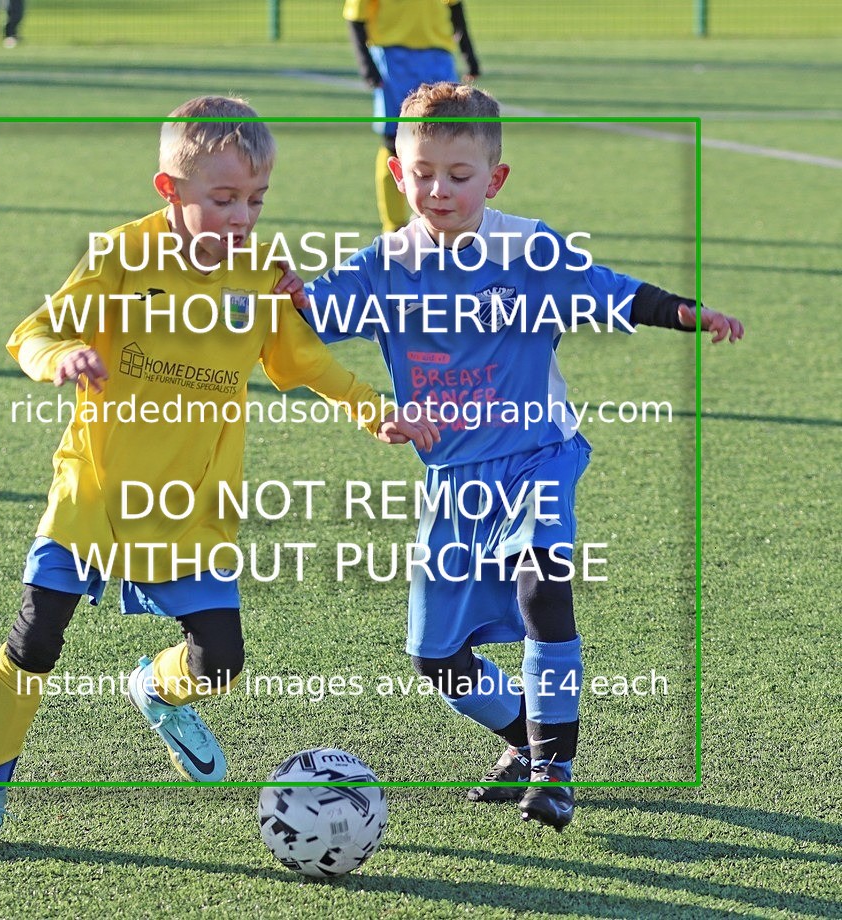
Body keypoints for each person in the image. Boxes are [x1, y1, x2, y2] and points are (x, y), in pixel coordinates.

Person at [0, 95, 439, 859]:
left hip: (190, 504)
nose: (243, 217)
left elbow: (305, 361)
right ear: (170, 190)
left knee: (221, 662)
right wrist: (60, 357)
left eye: (256, 200)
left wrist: (377, 412)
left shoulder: (261, 274)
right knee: (35, 640)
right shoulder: (119, 257)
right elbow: (32, 332)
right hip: (96, 492)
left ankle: (157, 692)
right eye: (225, 198)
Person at [302, 82, 744, 830]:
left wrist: (687, 313)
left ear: (495, 179)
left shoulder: (528, 250)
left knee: (544, 585)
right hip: (453, 480)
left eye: (459, 175)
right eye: (422, 174)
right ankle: (524, 740)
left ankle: (553, 771)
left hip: (538, 453)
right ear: (396, 172)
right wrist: (255, 294)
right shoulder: (381, 266)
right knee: (437, 659)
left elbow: (611, 290)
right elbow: (304, 319)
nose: (439, 191)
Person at [344, 0, 480, 233]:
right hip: (391, 57)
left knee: (450, 140)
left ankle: (441, 221)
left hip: (439, 56)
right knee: (394, 143)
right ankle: (394, 227)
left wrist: (469, 54)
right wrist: (366, 64)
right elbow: (355, 16)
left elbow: (454, 8)